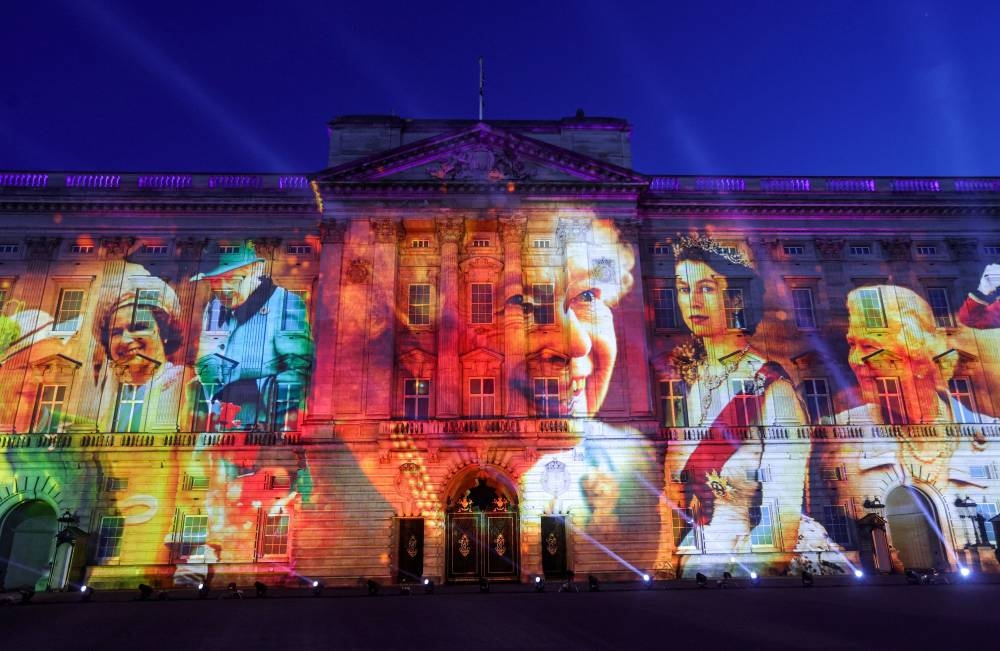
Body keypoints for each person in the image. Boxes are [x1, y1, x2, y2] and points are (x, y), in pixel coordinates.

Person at [664, 234, 819, 576]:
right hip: (702, 548)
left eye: (706, 288)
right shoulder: (689, 379)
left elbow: (781, 518)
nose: (693, 302)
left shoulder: (771, 387)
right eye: (684, 289)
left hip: (747, 555)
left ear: (734, 298)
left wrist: (737, 576)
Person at [191, 255, 313, 431]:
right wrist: (220, 398)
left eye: (232, 279)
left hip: (264, 430)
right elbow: (204, 359)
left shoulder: (287, 303)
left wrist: (254, 394)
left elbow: (300, 369)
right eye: (214, 281)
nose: (223, 289)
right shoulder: (214, 307)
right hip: (224, 428)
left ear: (255, 269)